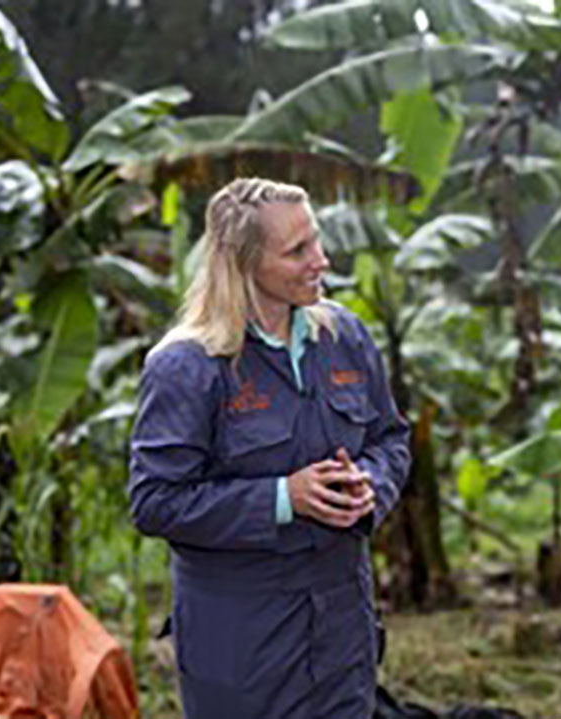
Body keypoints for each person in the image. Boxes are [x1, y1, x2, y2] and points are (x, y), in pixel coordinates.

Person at [129, 178, 410, 719]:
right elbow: (155, 501)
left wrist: (372, 482)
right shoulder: (187, 367)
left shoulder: (345, 337)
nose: (321, 261)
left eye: (317, 241)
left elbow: (389, 437)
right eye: (297, 251)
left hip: (341, 633)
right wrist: (284, 498)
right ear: (243, 261)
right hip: (240, 641)